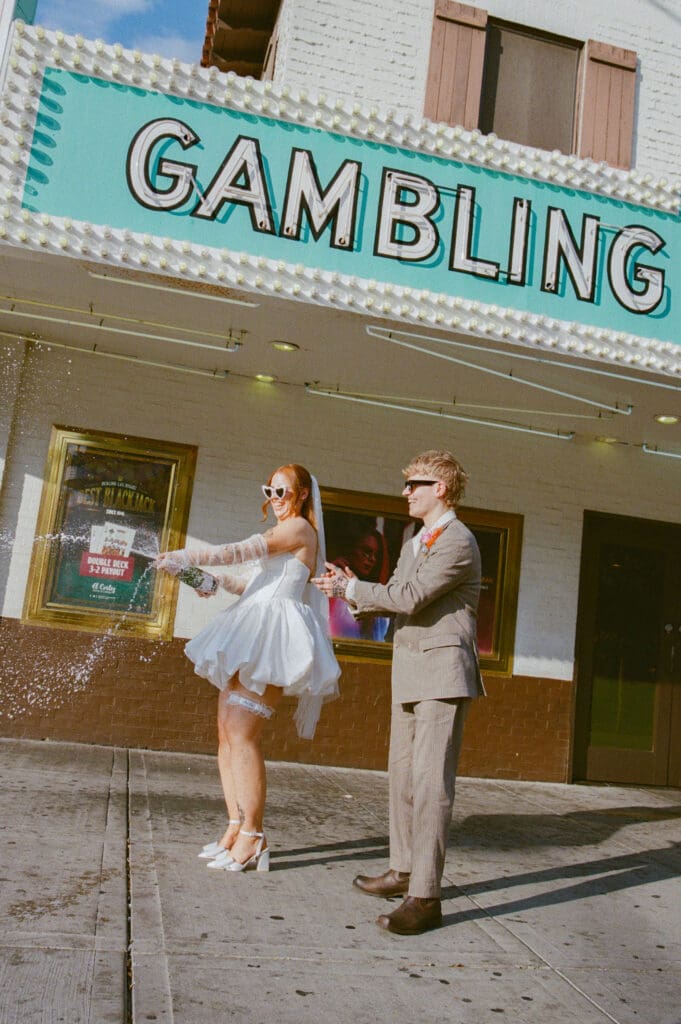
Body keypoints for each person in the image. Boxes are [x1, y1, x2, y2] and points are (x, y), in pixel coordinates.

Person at [313, 450, 484, 934]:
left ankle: (425, 897)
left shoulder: (458, 541)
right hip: (409, 669)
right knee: (402, 778)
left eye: (416, 484)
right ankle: (403, 868)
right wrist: (346, 588)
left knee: (432, 787)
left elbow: (408, 597)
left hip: (443, 674)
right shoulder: (412, 544)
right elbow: (390, 595)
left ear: (442, 489)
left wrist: (355, 590)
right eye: (406, 483)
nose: (406, 492)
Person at [156, 464, 340, 873]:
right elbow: (246, 582)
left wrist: (187, 552)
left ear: (303, 494)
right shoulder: (283, 535)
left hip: (275, 636)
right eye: (270, 491)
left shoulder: (299, 531)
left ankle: (255, 837)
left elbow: (238, 550)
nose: (275, 499)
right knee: (225, 734)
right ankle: (235, 826)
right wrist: (193, 574)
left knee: (242, 734)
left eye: (282, 491)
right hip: (254, 625)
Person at [328, 525, 391, 642]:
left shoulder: (376, 596)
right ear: (350, 550)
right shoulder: (330, 587)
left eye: (376, 555)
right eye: (366, 552)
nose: (372, 559)